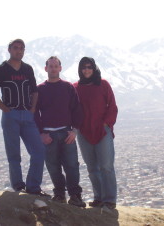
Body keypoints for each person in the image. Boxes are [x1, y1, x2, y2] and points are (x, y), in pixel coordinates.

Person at [0, 39, 49, 196]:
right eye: (16, 48)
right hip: (11, 115)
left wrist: (33, 108)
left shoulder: (28, 69)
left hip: (27, 115)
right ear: (9, 49)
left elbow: (34, 90)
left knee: (38, 151)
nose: (19, 51)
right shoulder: (0, 70)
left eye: (22, 48)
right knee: (14, 154)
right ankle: (18, 186)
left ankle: (33, 187)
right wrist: (5, 109)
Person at [35, 56, 86, 207]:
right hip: (48, 135)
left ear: (60, 68)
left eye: (56, 66)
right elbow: (34, 113)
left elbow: (77, 110)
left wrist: (74, 131)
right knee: (53, 166)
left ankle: (75, 196)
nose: (53, 68)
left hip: (66, 133)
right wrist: (41, 134)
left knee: (72, 165)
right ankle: (59, 194)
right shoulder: (39, 89)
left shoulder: (68, 87)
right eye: (50, 66)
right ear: (46, 69)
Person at [73, 57, 118, 210]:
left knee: (106, 166)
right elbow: (71, 108)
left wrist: (106, 124)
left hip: (102, 131)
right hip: (84, 132)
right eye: (83, 67)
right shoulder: (75, 87)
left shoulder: (103, 84)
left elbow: (112, 106)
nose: (86, 70)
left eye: (89, 67)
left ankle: (110, 200)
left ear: (94, 68)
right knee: (92, 167)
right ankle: (99, 198)